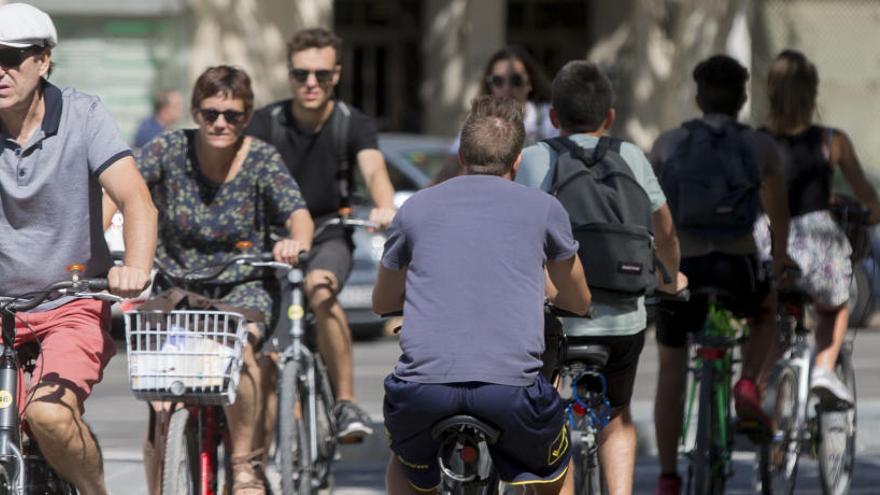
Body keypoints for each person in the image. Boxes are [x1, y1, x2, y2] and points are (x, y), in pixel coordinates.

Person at [107, 65, 314, 495]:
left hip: (244, 284)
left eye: (233, 115)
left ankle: (244, 467)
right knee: (161, 394)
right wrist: (98, 239)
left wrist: (295, 242)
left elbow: (298, 213)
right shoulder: (168, 148)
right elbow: (117, 190)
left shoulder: (260, 159)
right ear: (196, 112)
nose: (221, 123)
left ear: (248, 115)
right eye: (210, 112)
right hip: (178, 285)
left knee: (245, 357)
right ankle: (162, 484)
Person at [375, 95, 591, 495]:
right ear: (516, 162)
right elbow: (578, 300)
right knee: (556, 474)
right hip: (511, 394)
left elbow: (382, 301)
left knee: (404, 469)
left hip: (423, 393)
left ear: (461, 156)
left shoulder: (415, 208)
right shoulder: (544, 208)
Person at [0, 3, 157, 494]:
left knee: (49, 414)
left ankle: (93, 491)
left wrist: (134, 267)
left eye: (9, 56)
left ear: (43, 61)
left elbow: (136, 200)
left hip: (68, 302)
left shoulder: (83, 114)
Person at [516, 60, 684, 495]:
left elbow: (519, 235)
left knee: (548, 418)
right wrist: (669, 279)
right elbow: (663, 227)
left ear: (553, 118)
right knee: (617, 418)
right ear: (609, 117)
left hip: (560, 321)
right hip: (625, 321)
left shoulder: (537, 158)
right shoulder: (630, 155)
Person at [648, 54, 796, 494]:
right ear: (743, 97)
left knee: (671, 366)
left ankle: (669, 477)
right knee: (765, 309)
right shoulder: (760, 146)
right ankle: (748, 381)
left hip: (683, 269)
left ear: (697, 97)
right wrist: (781, 259)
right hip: (737, 267)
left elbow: (651, 213)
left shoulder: (668, 144)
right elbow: (779, 217)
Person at [246, 27, 396, 441]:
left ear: (337, 75)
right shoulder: (265, 122)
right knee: (263, 331)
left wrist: (384, 206)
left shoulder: (352, 124)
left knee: (322, 288)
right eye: (301, 74)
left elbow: (374, 169)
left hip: (331, 232)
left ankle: (345, 402)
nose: (311, 83)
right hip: (274, 239)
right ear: (290, 74)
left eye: (322, 75)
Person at [755, 50, 880, 405]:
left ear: (771, 93)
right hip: (817, 249)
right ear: (813, 94)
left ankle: (762, 393)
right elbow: (869, 198)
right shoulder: (832, 141)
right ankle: (824, 367)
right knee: (835, 304)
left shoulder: (757, 141)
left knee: (772, 317)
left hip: (768, 244)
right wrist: (867, 210)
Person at [435, 45, 555, 184]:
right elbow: (450, 168)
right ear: (489, 85)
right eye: (498, 81)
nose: (507, 88)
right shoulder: (477, 120)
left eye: (516, 80)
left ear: (530, 83)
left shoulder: (547, 117)